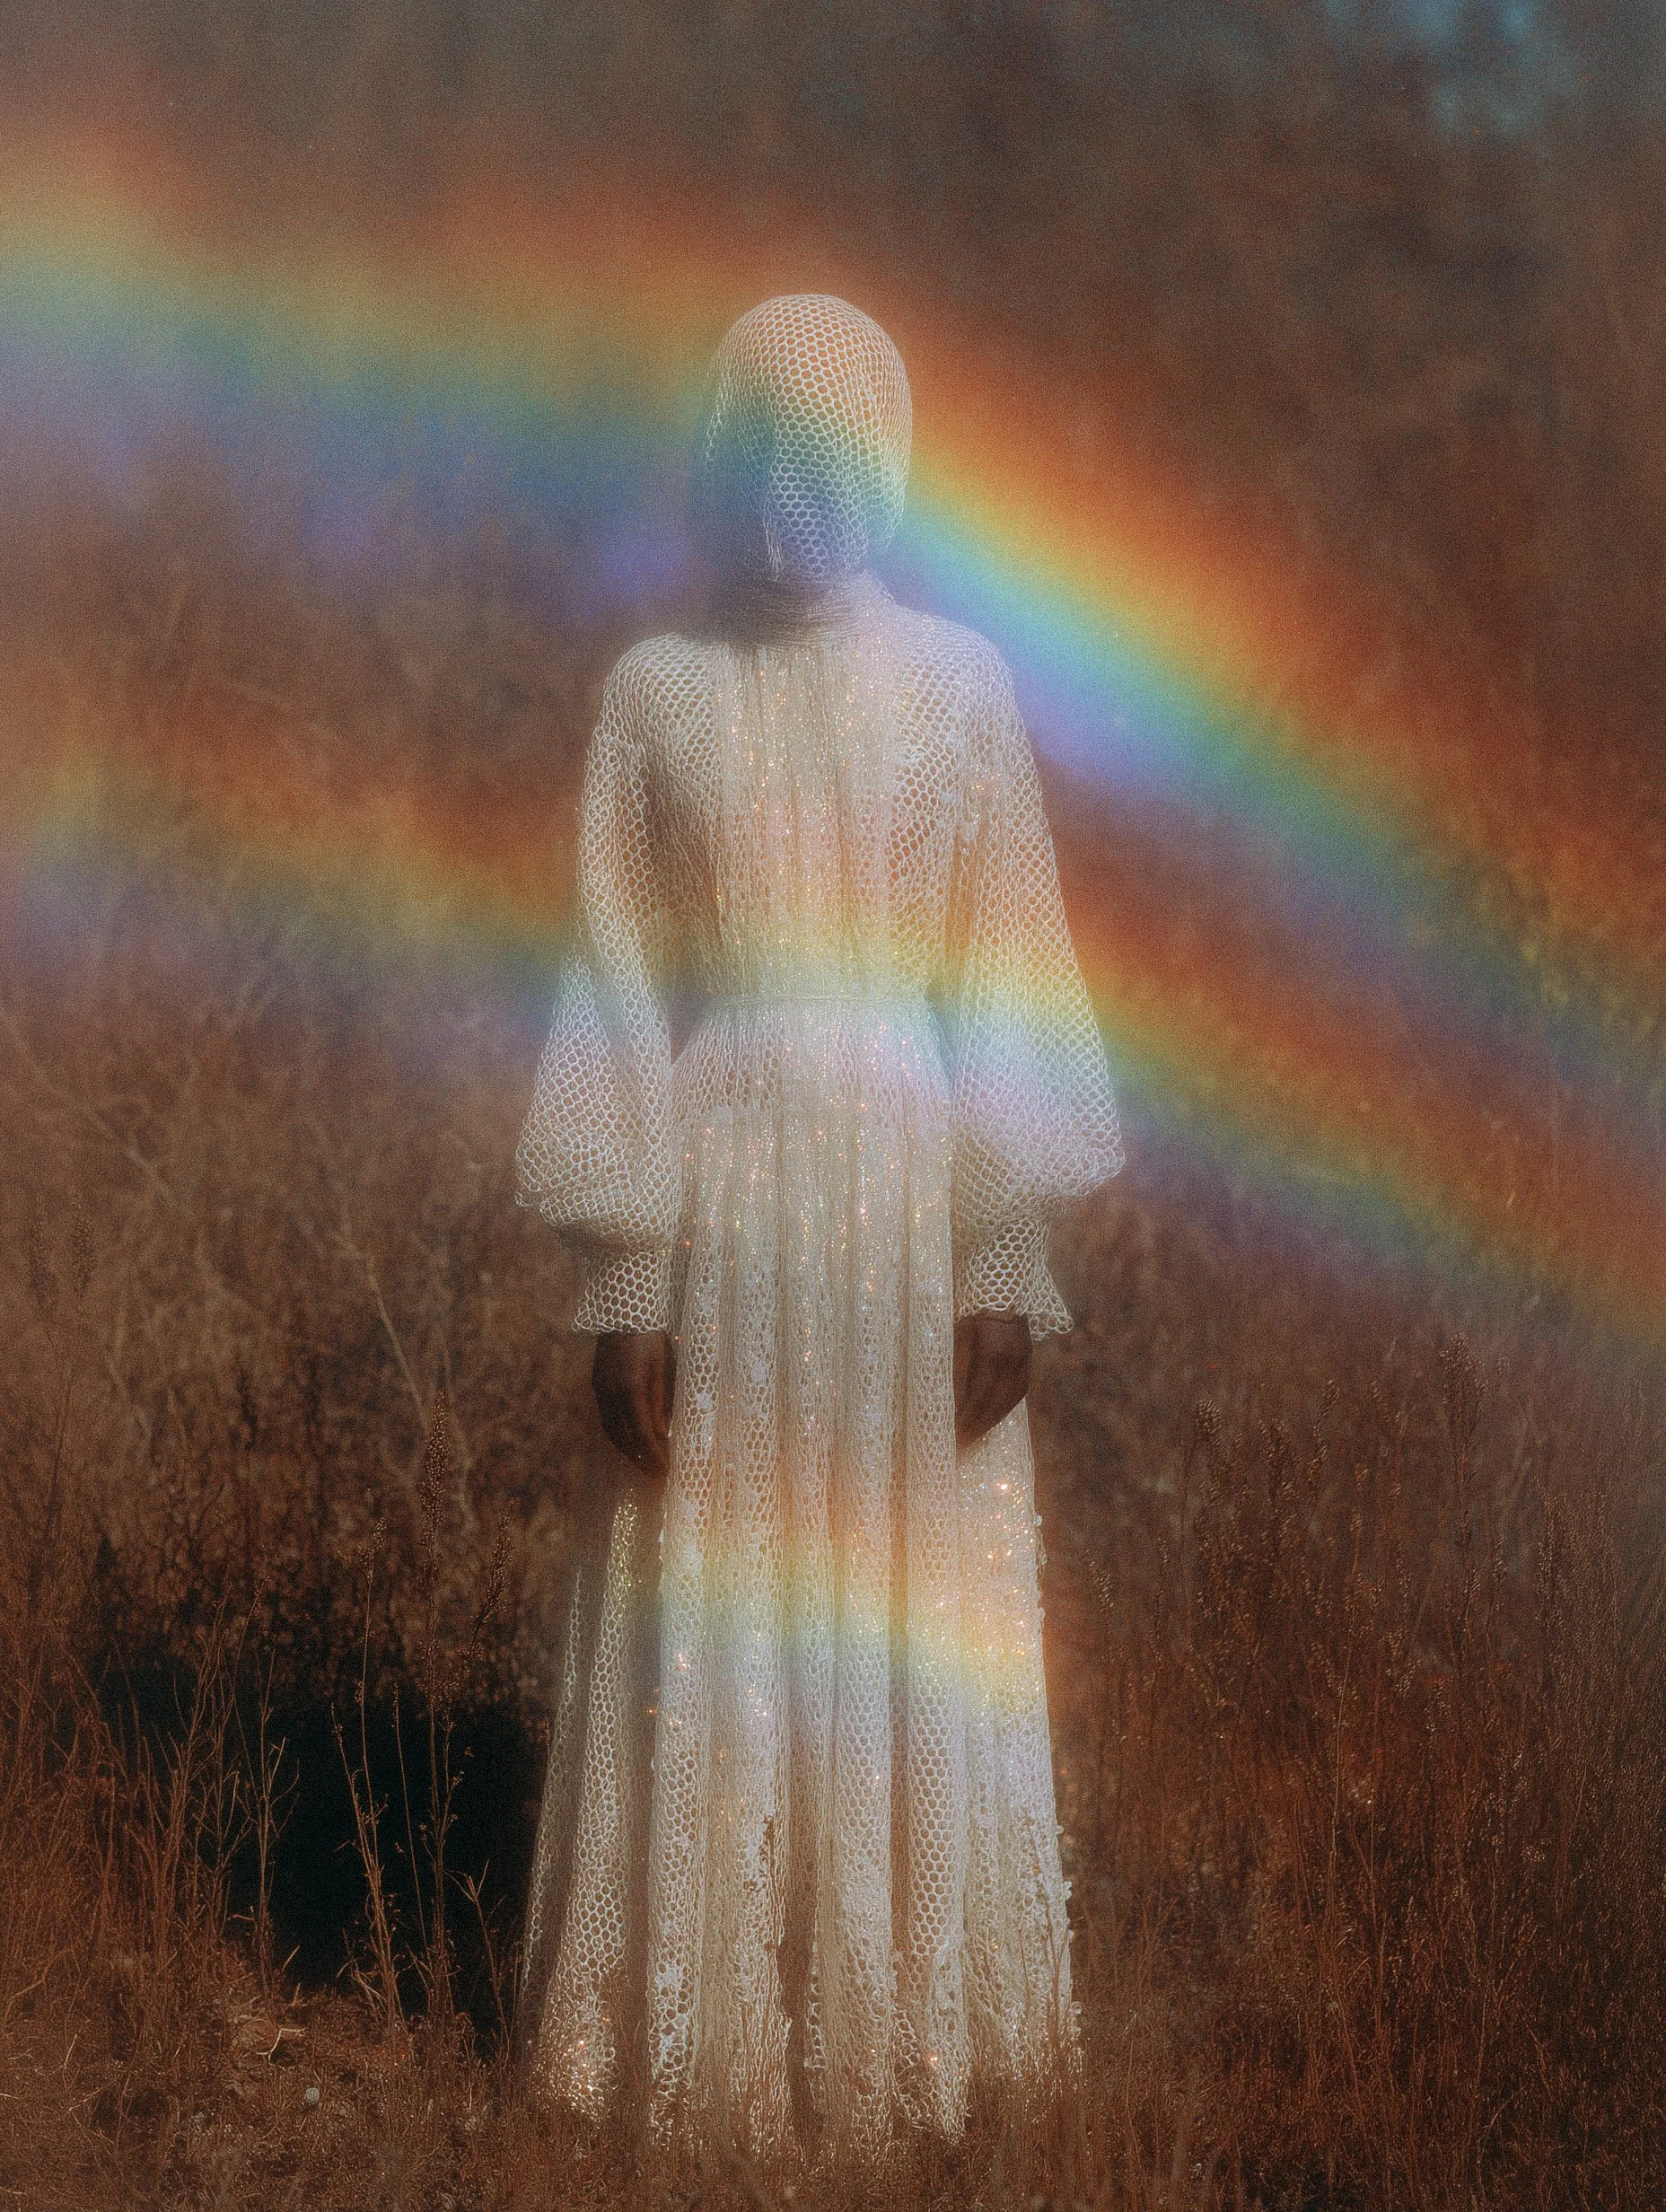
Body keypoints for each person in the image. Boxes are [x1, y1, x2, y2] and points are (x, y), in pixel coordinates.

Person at [514, 294, 1122, 2163]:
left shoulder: (960, 684)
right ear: (720, 458)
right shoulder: (653, 693)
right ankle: (698, 2043)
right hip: (722, 1193)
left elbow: (1008, 971)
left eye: (834, 454)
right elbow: (614, 980)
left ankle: (913, 2036)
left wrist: (1006, 1257)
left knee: (902, 1594)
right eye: (763, 452)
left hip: (898, 1205)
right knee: (717, 1600)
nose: (798, 494)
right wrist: (629, 1276)